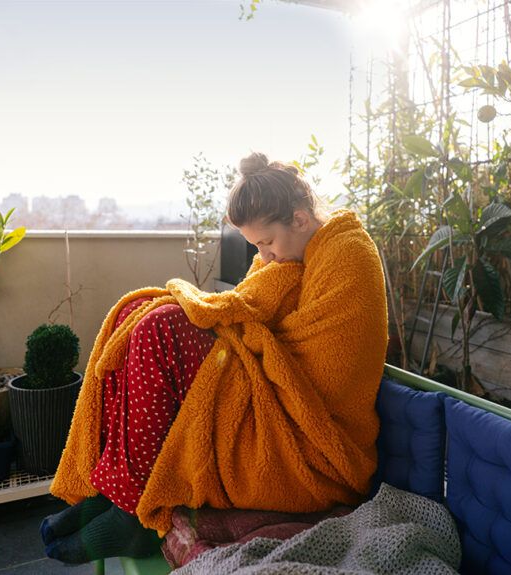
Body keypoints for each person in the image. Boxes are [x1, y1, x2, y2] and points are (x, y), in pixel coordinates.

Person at [42, 152, 389, 563]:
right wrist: (264, 291)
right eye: (257, 247)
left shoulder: (347, 254)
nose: (266, 257)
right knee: (135, 318)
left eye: (267, 243)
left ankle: (134, 512)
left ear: (299, 218)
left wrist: (249, 328)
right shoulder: (297, 249)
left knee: (163, 329)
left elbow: (329, 373)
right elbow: (256, 304)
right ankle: (122, 491)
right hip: (271, 383)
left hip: (311, 436)